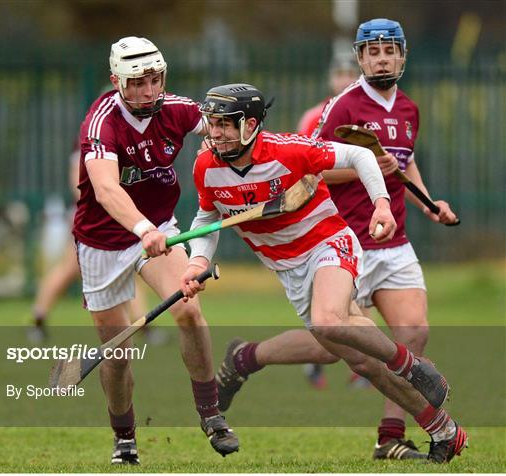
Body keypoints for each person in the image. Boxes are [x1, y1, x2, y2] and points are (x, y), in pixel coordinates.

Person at [148, 81, 467, 464]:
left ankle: (411, 366)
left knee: (327, 320)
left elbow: (359, 157)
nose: (215, 133)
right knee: (363, 362)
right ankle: (444, 429)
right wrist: (197, 263)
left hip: (329, 242)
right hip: (288, 269)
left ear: (250, 125)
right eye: (211, 123)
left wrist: (381, 204)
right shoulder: (207, 168)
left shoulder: (289, 150)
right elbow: (207, 218)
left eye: (225, 124)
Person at [72, 36, 239, 465]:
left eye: (155, 79)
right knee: (119, 353)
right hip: (103, 241)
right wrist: (141, 227)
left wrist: (222, 142)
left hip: (161, 230)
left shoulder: (178, 110)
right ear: (117, 81)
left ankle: (211, 414)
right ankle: (124, 437)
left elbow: (224, 129)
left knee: (188, 310)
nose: (149, 90)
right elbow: (106, 188)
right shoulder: (102, 122)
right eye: (138, 82)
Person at [28, 147, 165, 346]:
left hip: (112, 222)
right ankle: (38, 320)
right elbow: (81, 190)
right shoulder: (88, 147)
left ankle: (145, 326)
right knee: (67, 271)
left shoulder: (115, 145)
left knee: (128, 271)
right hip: (91, 224)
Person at [297, 55, 363, 390]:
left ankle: (362, 368)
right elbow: (303, 168)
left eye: (351, 73)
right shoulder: (314, 117)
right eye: (339, 73)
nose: (345, 79)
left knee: (357, 297)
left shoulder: (367, 116)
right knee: (326, 305)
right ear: (330, 78)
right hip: (321, 220)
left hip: (359, 216)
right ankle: (316, 359)